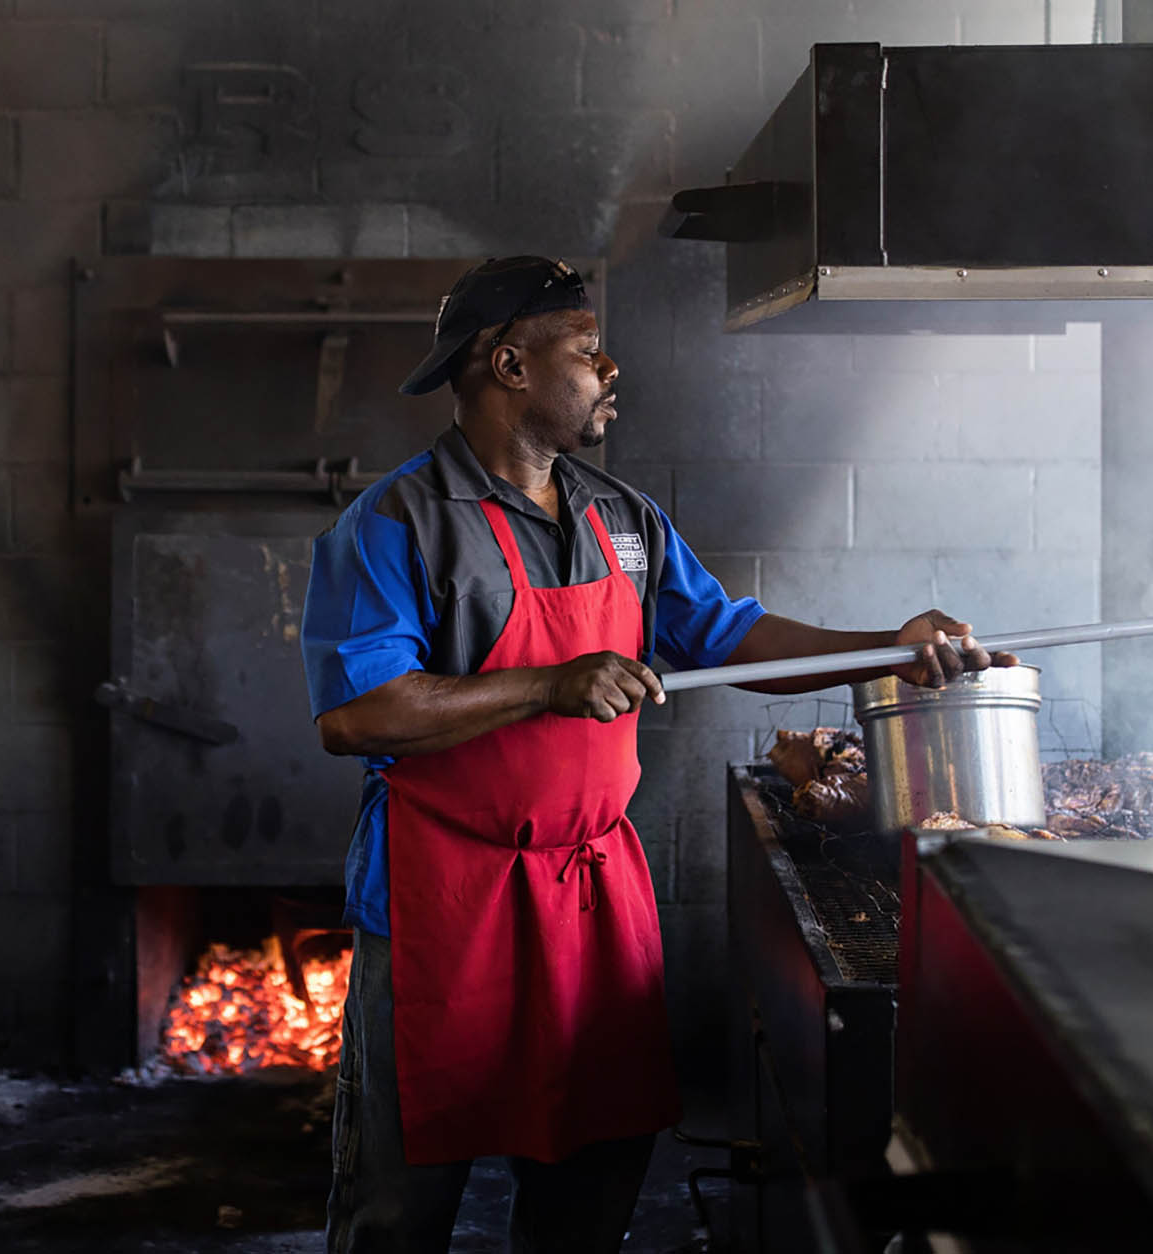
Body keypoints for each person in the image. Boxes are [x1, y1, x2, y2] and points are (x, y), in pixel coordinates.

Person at [301, 256, 1011, 1254]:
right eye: (586, 350)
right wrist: (547, 683)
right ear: (508, 365)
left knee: (592, 1180)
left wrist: (892, 650)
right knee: (399, 1204)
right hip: (440, 905)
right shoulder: (394, 525)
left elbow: (727, 637)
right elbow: (359, 715)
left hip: (590, 897)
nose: (609, 368)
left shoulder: (621, 519)